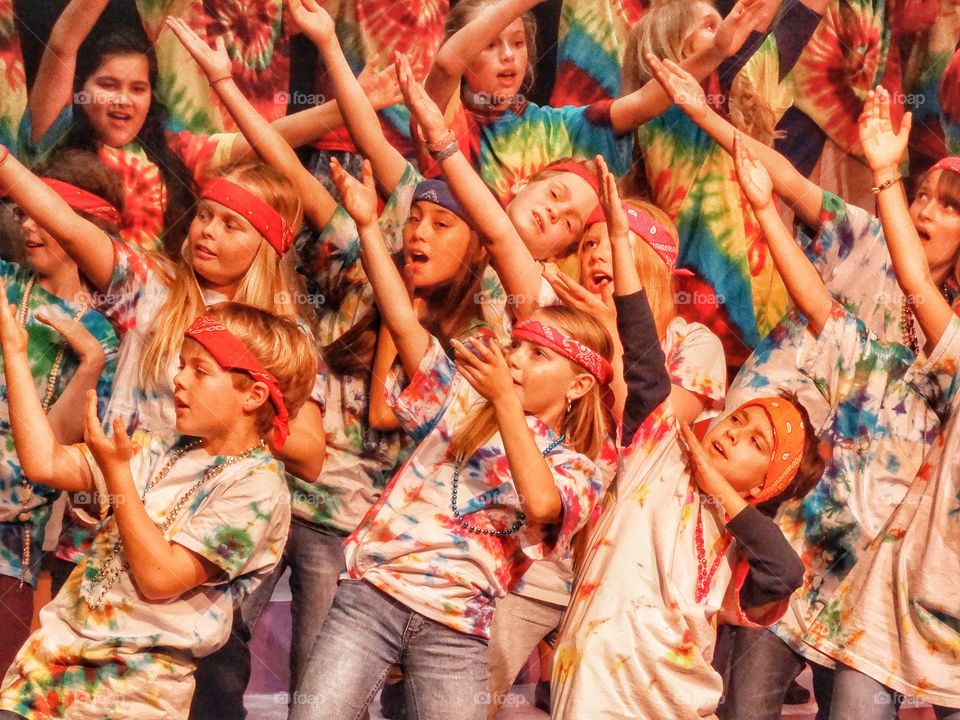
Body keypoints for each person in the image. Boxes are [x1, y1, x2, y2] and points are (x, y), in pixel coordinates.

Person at [652, 57, 960, 719]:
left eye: (949, 206)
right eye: (923, 196)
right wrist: (705, 115)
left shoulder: (952, 337)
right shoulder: (867, 237)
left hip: (879, 565)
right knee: (743, 706)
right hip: (802, 521)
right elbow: (786, 181)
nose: (927, 208)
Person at [289, 157, 607, 720]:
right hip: (374, 596)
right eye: (518, 348)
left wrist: (506, 403)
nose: (516, 359)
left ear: (579, 383)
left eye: (538, 356)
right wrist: (366, 225)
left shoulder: (582, 468)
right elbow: (406, 325)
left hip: (459, 628)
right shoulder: (462, 400)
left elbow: (539, 502)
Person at [551, 144, 819, 720]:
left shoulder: (738, 540)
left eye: (755, 445)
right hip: (592, 679)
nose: (733, 433)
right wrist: (620, 245)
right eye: (739, 420)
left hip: (673, 701)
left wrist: (724, 497)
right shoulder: (659, 446)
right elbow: (644, 356)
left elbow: (785, 571)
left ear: (760, 488)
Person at [0, 301, 316, 720]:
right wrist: (15, 351)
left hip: (130, 697)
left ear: (254, 395)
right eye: (182, 364)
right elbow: (45, 462)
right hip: (43, 679)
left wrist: (118, 476)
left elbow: (160, 577)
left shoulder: (258, 488)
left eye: (200, 371)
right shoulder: (158, 447)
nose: (178, 379)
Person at [23, 0, 396, 254]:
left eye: (138, 88)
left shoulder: (175, 152)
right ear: (80, 90)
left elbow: (265, 140)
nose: (124, 99)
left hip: (155, 322)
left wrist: (349, 106)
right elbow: (63, 41)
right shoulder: (54, 142)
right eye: (107, 85)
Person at [0, 147, 120, 672]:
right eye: (23, 212)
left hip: (11, 537)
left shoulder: (104, 334)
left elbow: (46, 455)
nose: (29, 226)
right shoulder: (4, 283)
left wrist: (90, 366)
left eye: (45, 216)